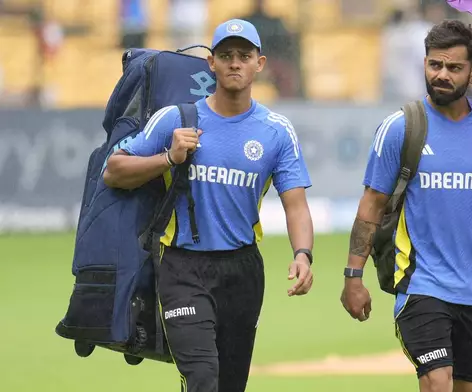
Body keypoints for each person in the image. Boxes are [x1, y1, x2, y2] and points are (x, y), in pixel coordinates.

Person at [103, 18, 315, 392]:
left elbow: (295, 205)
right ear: (211, 63)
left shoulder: (276, 131)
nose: (235, 63)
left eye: (244, 55)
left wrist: (303, 254)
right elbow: (113, 170)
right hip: (182, 266)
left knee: (230, 384)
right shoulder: (176, 119)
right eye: (226, 55)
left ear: (259, 64)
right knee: (202, 378)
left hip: (243, 270)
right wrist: (168, 158)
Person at [340, 20, 472, 392]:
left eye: (454, 68)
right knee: (438, 383)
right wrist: (353, 277)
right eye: (434, 65)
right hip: (422, 286)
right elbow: (371, 205)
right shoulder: (401, 128)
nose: (441, 75)